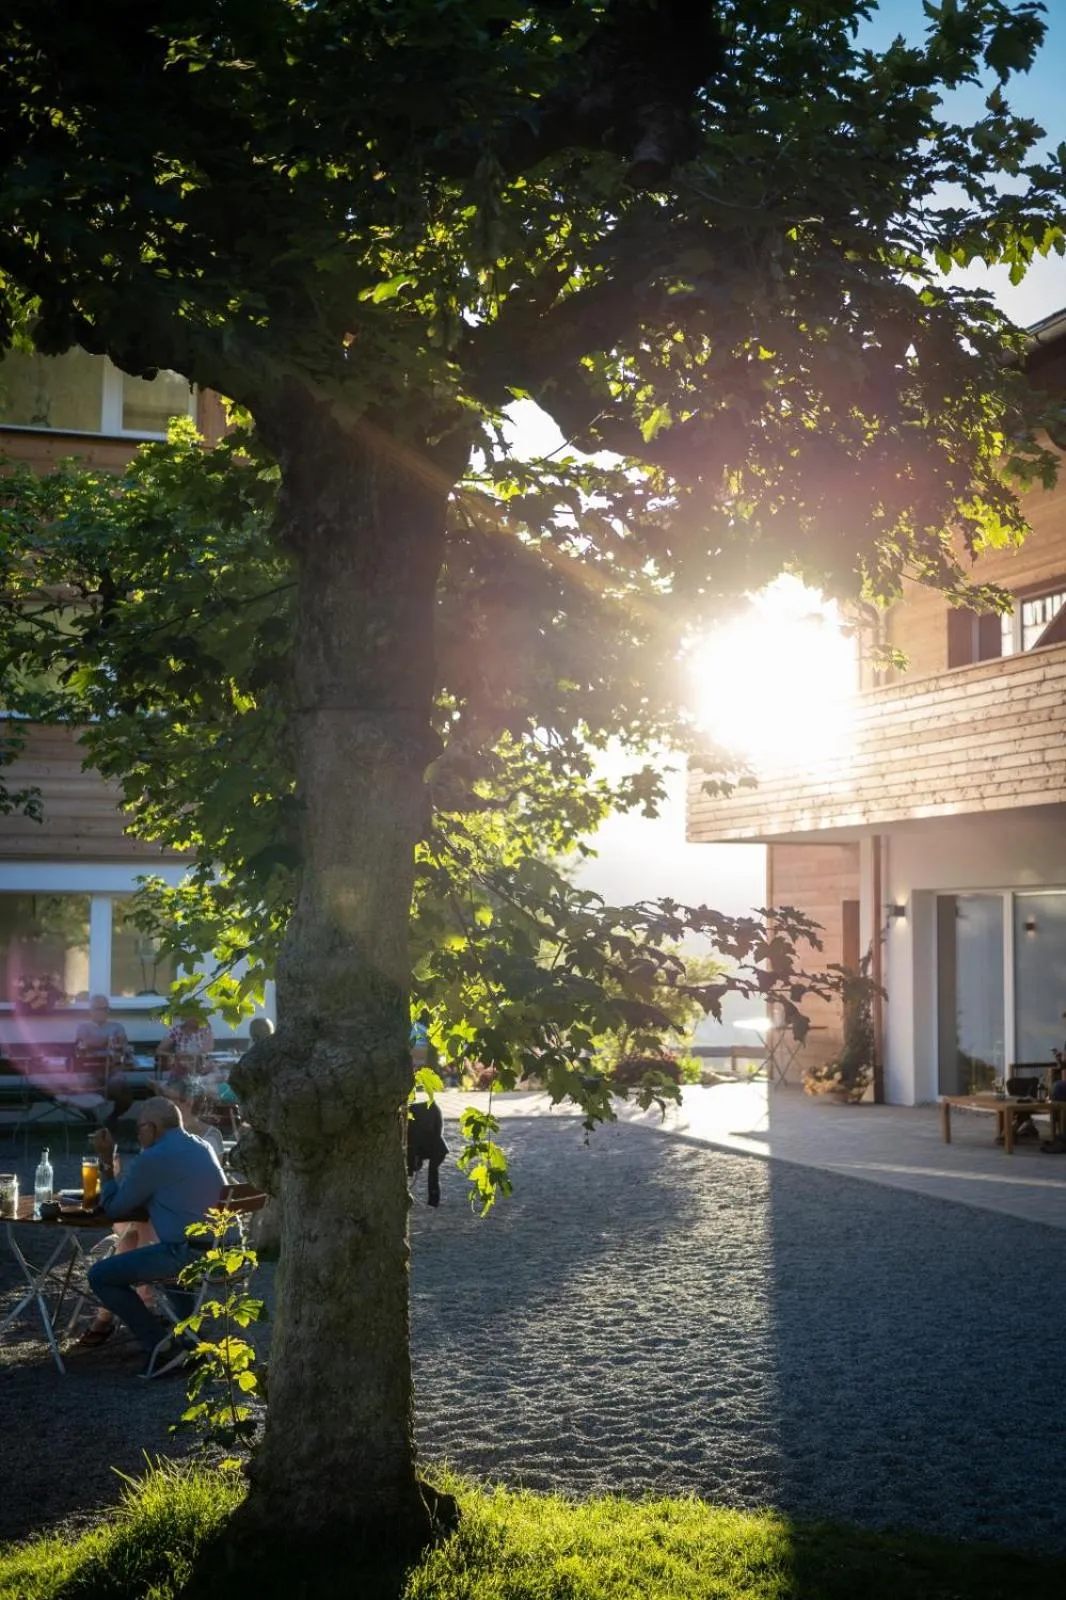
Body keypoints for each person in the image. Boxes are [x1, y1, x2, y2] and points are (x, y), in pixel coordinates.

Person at [86, 1096, 225, 1377]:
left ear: (152, 1128)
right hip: (223, 1252)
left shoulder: (154, 1157)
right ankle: (189, 1342)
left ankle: (158, 1346)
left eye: (139, 1128)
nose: (138, 1134)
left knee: (100, 1275)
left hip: (188, 1254)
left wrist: (105, 1161)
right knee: (174, 1266)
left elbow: (114, 1207)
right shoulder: (202, 1146)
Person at [73, 996, 130, 1091]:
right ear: (91, 1011)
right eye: (99, 1009)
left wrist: (96, 1042)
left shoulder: (117, 1026)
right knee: (86, 1082)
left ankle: (119, 1106)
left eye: (105, 1008)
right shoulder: (83, 1027)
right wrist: (110, 1040)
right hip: (90, 1069)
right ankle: (95, 1104)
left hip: (113, 1068)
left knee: (121, 1083)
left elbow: (123, 1044)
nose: (104, 1011)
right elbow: (85, 1043)